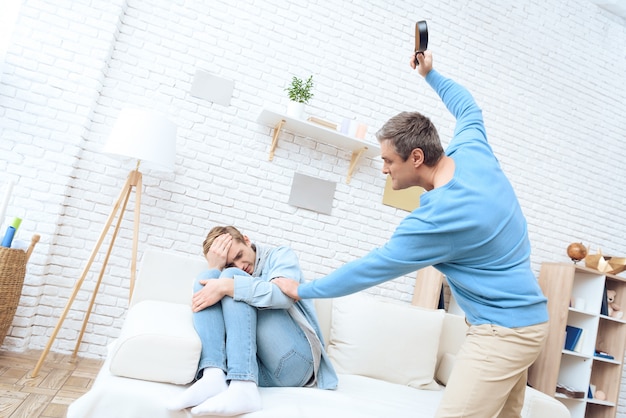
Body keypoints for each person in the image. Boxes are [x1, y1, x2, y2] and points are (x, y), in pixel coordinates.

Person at [273, 51, 549, 418]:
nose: (384, 168)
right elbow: (469, 109)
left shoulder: (438, 220)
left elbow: (370, 268)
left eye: (389, 161)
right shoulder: (471, 151)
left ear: (416, 157)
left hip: (503, 333)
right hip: (529, 322)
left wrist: (301, 288)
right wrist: (431, 74)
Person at [167, 226, 337, 416]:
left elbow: (283, 297)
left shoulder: (280, 255)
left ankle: (243, 388)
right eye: (230, 264)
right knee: (206, 279)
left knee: (233, 280)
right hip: (259, 370)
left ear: (247, 240)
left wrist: (229, 284)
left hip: (296, 363)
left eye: (240, 255)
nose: (240, 265)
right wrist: (215, 268)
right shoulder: (229, 272)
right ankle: (214, 376)